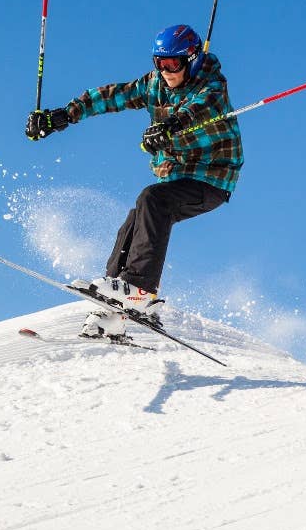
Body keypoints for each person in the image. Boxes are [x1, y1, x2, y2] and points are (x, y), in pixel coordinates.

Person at [25, 24, 243, 340]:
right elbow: (110, 97)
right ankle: (112, 300)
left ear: (192, 59)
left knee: (153, 199)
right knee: (137, 217)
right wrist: (61, 116)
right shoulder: (154, 85)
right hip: (177, 176)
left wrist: (170, 125)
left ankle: (139, 289)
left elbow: (197, 110)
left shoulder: (211, 86)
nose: (166, 71)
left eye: (173, 64)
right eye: (159, 62)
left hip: (213, 178)